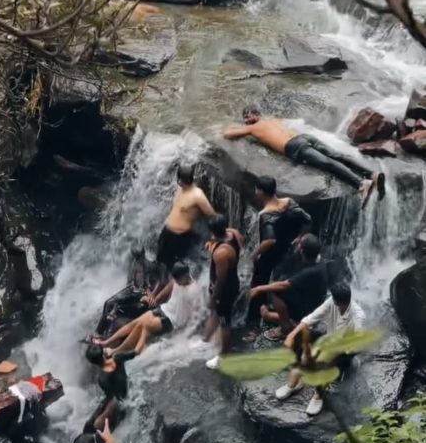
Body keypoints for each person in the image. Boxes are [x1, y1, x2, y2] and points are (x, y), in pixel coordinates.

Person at [223, 108, 385, 206]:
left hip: (294, 147)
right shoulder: (272, 120)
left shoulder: (253, 128)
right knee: (337, 155)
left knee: (328, 163)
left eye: (246, 117)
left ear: (253, 115)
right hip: (305, 137)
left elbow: (227, 134)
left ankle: (360, 184)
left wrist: (238, 125)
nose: (246, 121)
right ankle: (371, 173)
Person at [276, 280, 365, 416]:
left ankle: (319, 394)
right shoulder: (331, 302)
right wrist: (291, 335)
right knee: (304, 342)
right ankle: (294, 383)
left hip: (346, 349)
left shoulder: (358, 315)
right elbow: (311, 318)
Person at [247, 176, 312, 333]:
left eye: (257, 189)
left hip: (270, 256)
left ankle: (254, 322)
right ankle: (284, 313)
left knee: (258, 284)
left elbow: (270, 240)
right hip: (289, 252)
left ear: (260, 192)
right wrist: (300, 237)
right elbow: (307, 219)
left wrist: (255, 253)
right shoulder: (289, 202)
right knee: (282, 283)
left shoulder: (266, 214)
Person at [94, 262, 203, 356]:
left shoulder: (194, 291)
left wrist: (187, 334)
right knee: (136, 322)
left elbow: (196, 316)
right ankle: (106, 343)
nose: (176, 282)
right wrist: (153, 301)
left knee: (141, 326)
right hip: (164, 309)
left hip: (172, 321)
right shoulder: (176, 280)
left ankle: (115, 351)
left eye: (178, 280)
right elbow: (163, 294)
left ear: (185, 276)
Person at [248, 234, 328, 338]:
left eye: (300, 244)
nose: (297, 243)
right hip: (311, 297)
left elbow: (285, 285)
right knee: (279, 281)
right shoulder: (316, 258)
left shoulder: (312, 271)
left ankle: (286, 327)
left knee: (274, 290)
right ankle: (291, 320)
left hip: (310, 305)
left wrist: (259, 288)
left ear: (302, 250)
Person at [156, 164, 216, 278]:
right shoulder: (180, 189)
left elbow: (212, 215)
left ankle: (171, 289)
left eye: (182, 180)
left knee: (173, 267)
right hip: (167, 232)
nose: (180, 182)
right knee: (160, 261)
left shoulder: (198, 195)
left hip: (180, 236)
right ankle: (159, 284)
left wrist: (213, 238)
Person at [205, 214, 243, 369]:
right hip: (231, 281)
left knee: (224, 321)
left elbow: (221, 279)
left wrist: (214, 297)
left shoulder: (221, 253)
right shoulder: (234, 233)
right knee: (216, 314)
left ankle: (223, 355)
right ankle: (206, 339)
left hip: (225, 290)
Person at [95, 246, 159, 337]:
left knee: (118, 307)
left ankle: (105, 331)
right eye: (135, 257)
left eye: (139, 256)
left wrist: (150, 293)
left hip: (142, 293)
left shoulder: (150, 265)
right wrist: (131, 287)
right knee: (108, 303)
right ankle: (99, 332)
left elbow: (157, 282)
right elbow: (130, 282)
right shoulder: (133, 264)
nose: (137, 259)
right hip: (131, 290)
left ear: (143, 254)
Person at [84, 345, 136, 433]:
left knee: (92, 424)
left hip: (116, 399)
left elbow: (109, 395)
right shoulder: (118, 358)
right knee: (93, 423)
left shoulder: (101, 378)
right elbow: (135, 352)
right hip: (123, 398)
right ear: (104, 354)